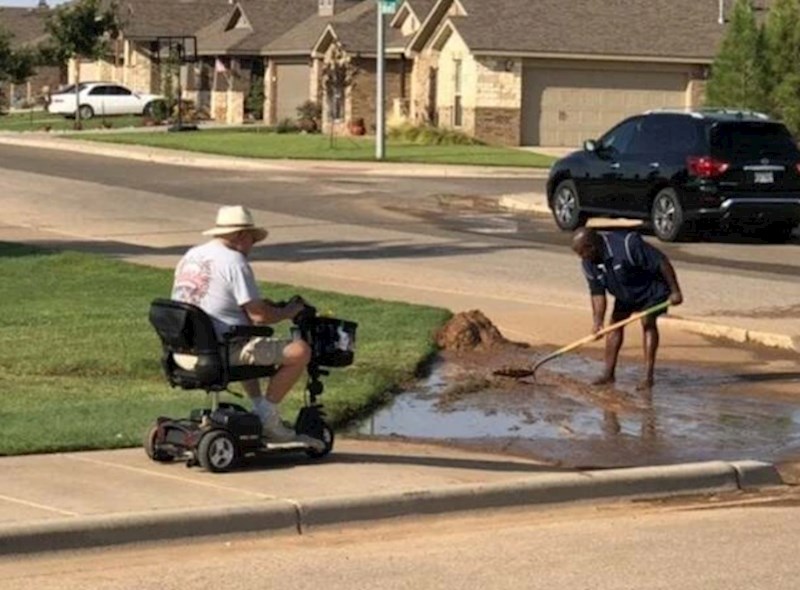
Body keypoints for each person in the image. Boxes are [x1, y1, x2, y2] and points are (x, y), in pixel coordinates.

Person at [171, 205, 320, 447]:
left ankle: (258, 405)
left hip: (184, 350)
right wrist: (289, 311)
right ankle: (268, 419)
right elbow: (260, 317)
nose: (252, 245)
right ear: (241, 235)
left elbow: (225, 302)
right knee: (299, 351)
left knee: (247, 338)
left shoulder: (192, 255)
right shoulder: (235, 262)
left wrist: (268, 307)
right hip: (219, 350)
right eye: (252, 239)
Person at [571, 227, 683, 389]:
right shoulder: (588, 264)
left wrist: (675, 291)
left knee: (647, 321)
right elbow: (597, 294)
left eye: (582, 253)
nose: (581, 257)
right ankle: (608, 374)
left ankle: (648, 377)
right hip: (625, 293)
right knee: (614, 325)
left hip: (652, 289)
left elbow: (661, 261)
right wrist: (597, 322)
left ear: (591, 247)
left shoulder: (627, 245)